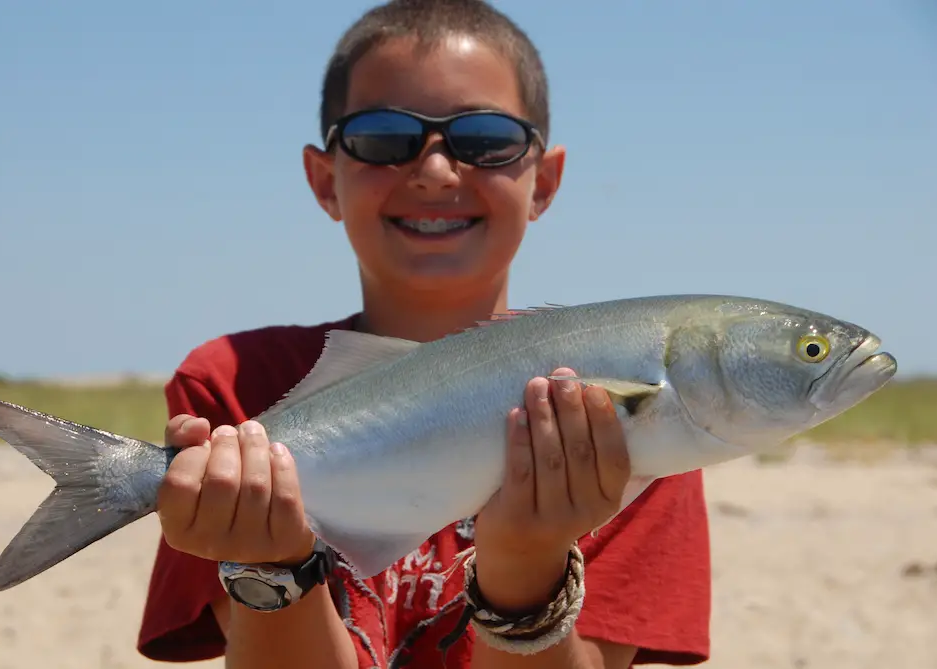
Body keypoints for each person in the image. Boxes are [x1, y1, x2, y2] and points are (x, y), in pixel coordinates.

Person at [136, 1, 712, 667]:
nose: (436, 171)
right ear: (326, 180)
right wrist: (270, 568)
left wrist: (527, 570)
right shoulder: (239, 387)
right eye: (382, 138)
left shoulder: (620, 411)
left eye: (485, 139)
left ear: (543, 182)